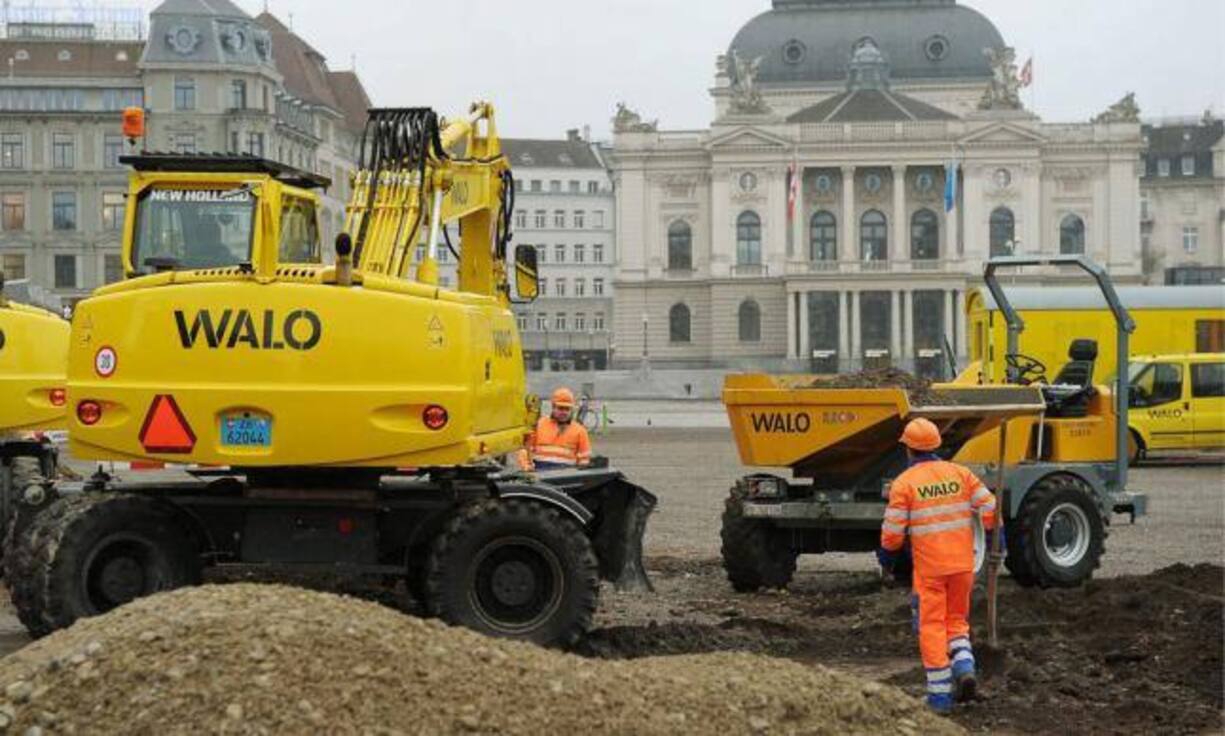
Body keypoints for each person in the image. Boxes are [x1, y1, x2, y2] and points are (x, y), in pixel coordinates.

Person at [877, 417, 998, 714]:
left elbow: (892, 536)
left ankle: (939, 697)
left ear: (908, 450)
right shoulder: (960, 473)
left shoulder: (905, 483)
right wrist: (999, 542)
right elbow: (990, 510)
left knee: (931, 627)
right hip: (962, 566)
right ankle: (965, 667)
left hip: (930, 571)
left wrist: (887, 562)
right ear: (936, 445)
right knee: (956, 621)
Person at [523, 387, 592, 471]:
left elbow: (584, 459)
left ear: (572, 410)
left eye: (567, 409)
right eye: (560, 408)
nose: (563, 412)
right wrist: (527, 467)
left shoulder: (580, 431)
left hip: (565, 476)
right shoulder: (539, 425)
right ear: (553, 407)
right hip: (539, 474)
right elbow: (526, 448)